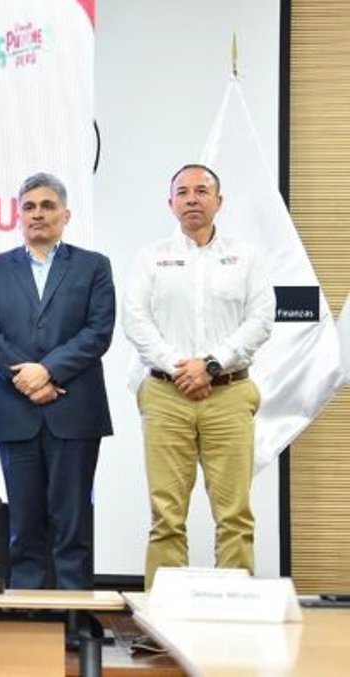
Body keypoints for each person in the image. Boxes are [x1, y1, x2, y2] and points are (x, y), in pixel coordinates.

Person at [123, 164, 274, 589]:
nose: (192, 198)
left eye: (202, 191)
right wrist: (179, 366)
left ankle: (235, 609)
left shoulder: (247, 257)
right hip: (165, 393)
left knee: (235, 515)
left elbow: (261, 320)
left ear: (219, 202)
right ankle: (164, 614)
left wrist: (210, 364)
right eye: (183, 192)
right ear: (170, 203)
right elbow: (135, 320)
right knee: (166, 515)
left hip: (229, 392)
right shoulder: (150, 257)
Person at [0, 172, 115, 589]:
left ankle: (73, 616)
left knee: (72, 525)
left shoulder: (93, 265)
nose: (38, 214)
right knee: (24, 526)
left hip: (74, 410)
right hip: (16, 411)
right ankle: (28, 616)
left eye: (48, 206)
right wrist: (28, 378)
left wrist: (47, 371)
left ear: (66, 215)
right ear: (18, 215)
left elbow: (98, 332)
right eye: (29, 207)